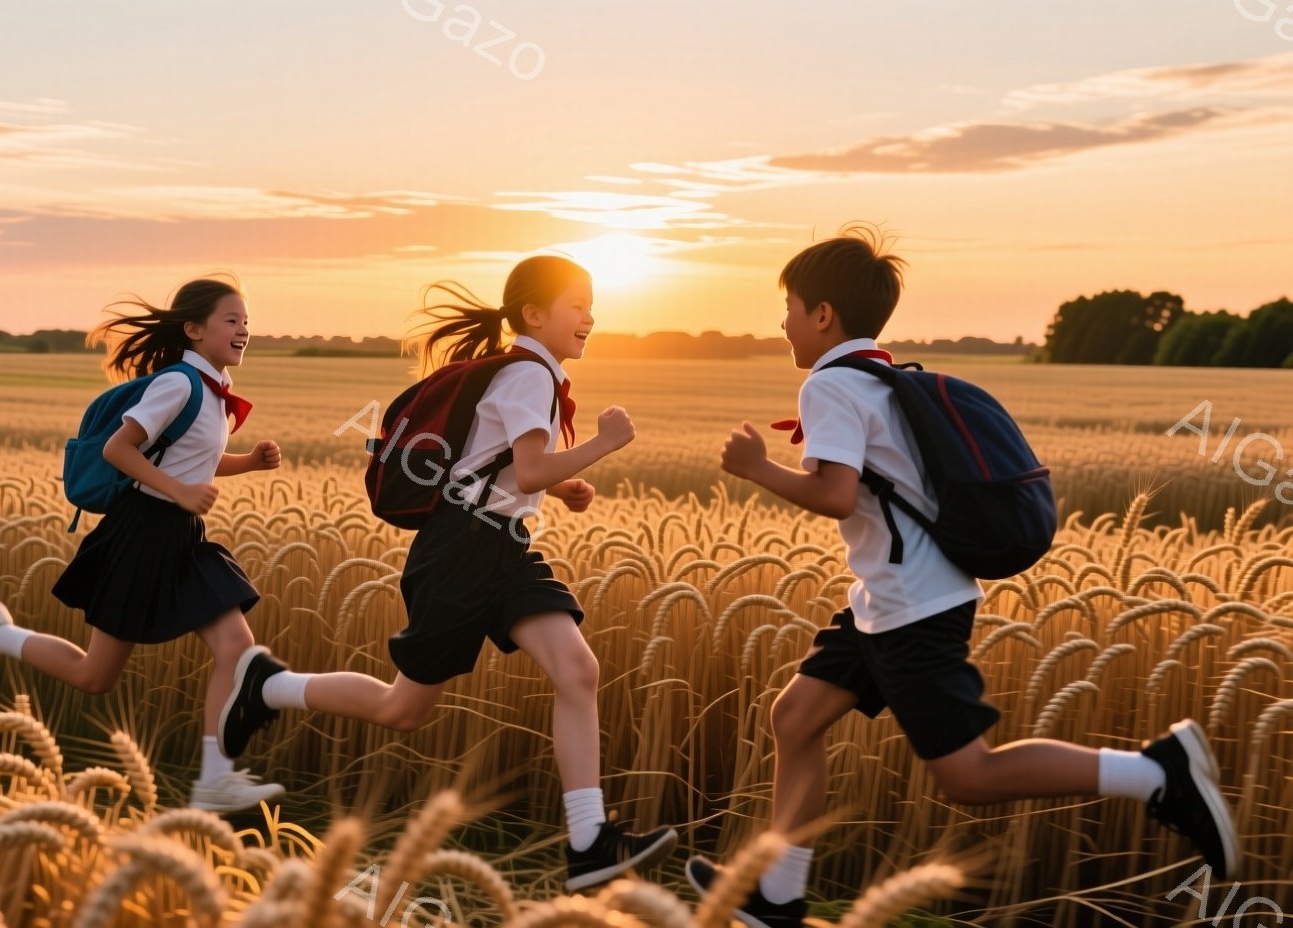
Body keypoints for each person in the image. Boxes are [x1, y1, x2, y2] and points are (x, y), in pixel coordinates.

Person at [686, 226, 1239, 927]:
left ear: (824, 314)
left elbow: (835, 494)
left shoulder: (831, 383)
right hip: (884, 601)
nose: (783, 321)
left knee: (968, 775)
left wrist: (756, 467)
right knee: (794, 717)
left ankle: (1158, 773)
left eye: (790, 305)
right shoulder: (885, 379)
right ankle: (778, 897)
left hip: (911, 607)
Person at [214, 255, 679, 891]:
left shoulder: (525, 374)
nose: (590, 316)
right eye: (578, 304)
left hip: (501, 545)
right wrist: (604, 443)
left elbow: (503, 466)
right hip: (461, 552)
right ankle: (268, 686)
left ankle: (589, 841)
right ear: (534, 314)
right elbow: (529, 467)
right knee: (401, 708)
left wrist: (561, 487)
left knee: (578, 669)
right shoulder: (528, 376)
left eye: (592, 304)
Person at [0, 275, 286, 813]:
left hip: (183, 537)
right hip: (142, 533)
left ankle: (216, 778)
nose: (244, 330)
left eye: (247, 321)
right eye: (232, 320)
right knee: (94, 675)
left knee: (237, 651)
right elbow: (119, 451)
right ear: (194, 330)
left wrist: (248, 464)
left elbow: (188, 459)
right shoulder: (178, 384)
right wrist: (178, 491)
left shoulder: (213, 393)